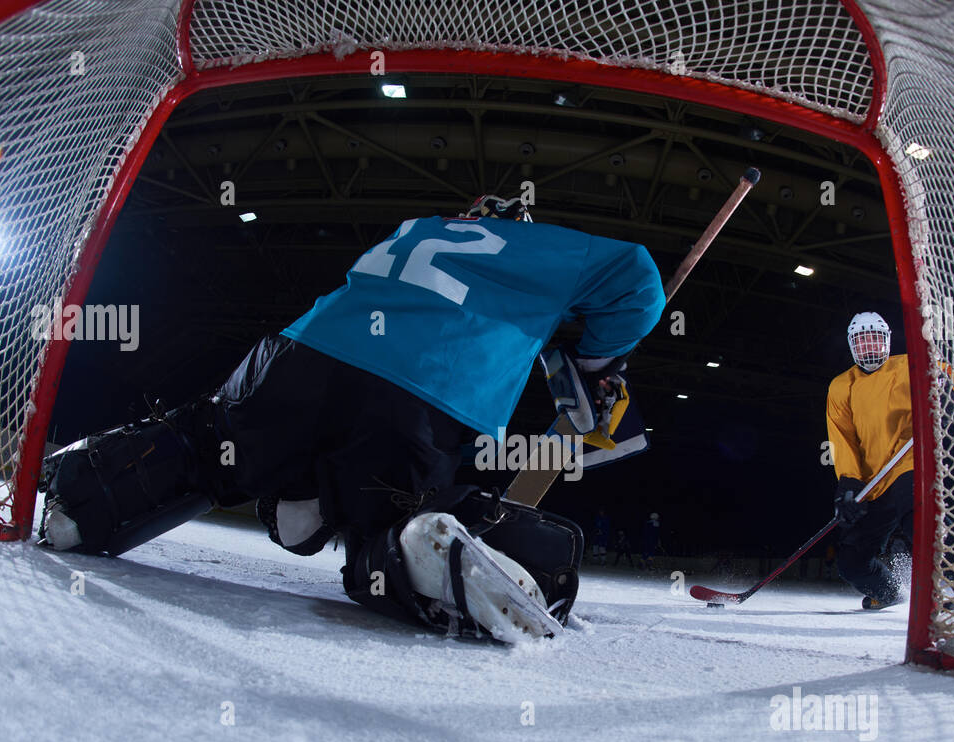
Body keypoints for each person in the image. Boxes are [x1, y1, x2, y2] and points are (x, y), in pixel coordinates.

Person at [39, 194, 665, 642]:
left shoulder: (417, 227)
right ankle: (409, 543)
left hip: (300, 356)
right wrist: (594, 357)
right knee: (388, 514)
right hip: (423, 389)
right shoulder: (543, 248)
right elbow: (638, 279)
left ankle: (87, 499)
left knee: (207, 444)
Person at [826, 311, 954, 610]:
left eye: (875, 339)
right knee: (851, 561)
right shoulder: (842, 386)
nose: (870, 346)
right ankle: (890, 592)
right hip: (873, 482)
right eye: (862, 340)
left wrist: (949, 395)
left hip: (909, 466)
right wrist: (848, 482)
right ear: (853, 345)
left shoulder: (913, 364)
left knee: (921, 524)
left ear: (887, 341)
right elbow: (841, 439)